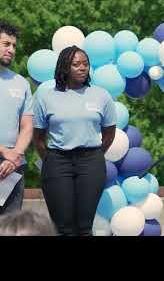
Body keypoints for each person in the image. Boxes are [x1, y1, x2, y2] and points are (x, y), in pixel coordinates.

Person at [32, 46, 117, 236]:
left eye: (85, 64)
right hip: (57, 161)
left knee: (84, 227)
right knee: (63, 227)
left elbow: (109, 133)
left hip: (91, 162)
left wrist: (94, 155)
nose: (82, 68)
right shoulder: (45, 96)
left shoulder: (101, 95)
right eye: (76, 64)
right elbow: (38, 137)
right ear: (64, 67)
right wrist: (51, 160)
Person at [0, 22, 33, 215]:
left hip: (14, 164)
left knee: (11, 226)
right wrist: (5, 151)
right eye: (6, 44)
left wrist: (15, 156)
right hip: (7, 154)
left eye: (14, 46)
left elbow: (27, 126)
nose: (11, 50)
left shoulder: (21, 83)